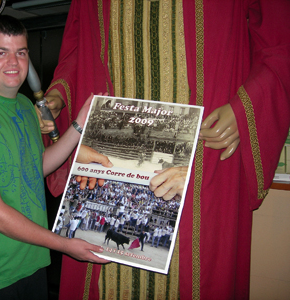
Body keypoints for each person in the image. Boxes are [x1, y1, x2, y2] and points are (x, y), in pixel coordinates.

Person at [43, 1, 290, 299]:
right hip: (113, 144)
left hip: (202, 158)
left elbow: (278, 44)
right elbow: (78, 49)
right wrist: (59, 93)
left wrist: (246, 108)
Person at [0, 15, 109, 299]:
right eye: (1, 52)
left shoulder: (23, 105)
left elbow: (36, 167)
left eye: (20, 53)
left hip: (31, 262)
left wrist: (79, 124)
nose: (13, 62)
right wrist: (64, 245)